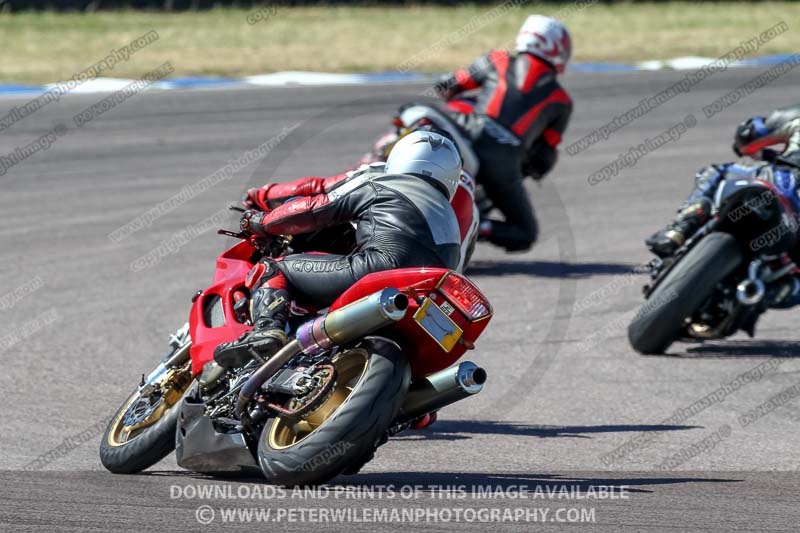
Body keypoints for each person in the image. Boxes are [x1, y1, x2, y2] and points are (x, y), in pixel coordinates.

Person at [213, 131, 464, 369]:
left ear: (401, 157)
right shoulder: (453, 222)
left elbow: (315, 209)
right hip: (424, 298)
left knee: (274, 268)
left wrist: (260, 222)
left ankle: (266, 331)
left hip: (376, 271)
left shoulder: (380, 182)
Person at [433, 14, 573, 252]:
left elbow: (448, 83)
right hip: (503, 165)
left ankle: (386, 156)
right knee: (525, 233)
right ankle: (476, 225)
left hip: (466, 133)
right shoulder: (562, 101)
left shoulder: (497, 59)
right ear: (555, 48)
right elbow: (544, 158)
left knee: (420, 117)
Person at [645, 104, 800, 310]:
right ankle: (775, 291)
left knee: (717, 172)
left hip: (780, 181)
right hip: (782, 199)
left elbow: (747, 135)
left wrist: (751, 148)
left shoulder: (795, 118)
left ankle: (681, 227)